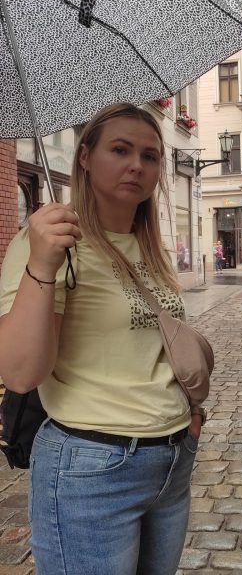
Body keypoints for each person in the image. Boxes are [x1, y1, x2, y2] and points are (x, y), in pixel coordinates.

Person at [0, 103, 202, 574]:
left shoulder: (152, 246)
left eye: (150, 156)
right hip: (91, 467)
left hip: (171, 460)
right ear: (86, 157)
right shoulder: (47, 244)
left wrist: (189, 420)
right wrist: (42, 264)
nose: (137, 165)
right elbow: (21, 372)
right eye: (120, 150)